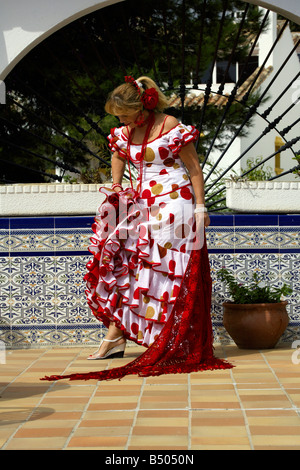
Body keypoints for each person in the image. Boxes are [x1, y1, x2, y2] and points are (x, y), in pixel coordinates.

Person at [41, 76, 232, 383]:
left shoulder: (170, 126)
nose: (121, 120)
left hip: (175, 205)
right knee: (129, 268)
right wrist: (117, 185)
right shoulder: (124, 132)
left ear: (142, 105)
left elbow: (194, 167)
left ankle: (159, 337)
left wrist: (200, 206)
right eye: (117, 116)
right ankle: (118, 335)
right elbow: (117, 153)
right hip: (141, 207)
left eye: (124, 114)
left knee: (163, 271)